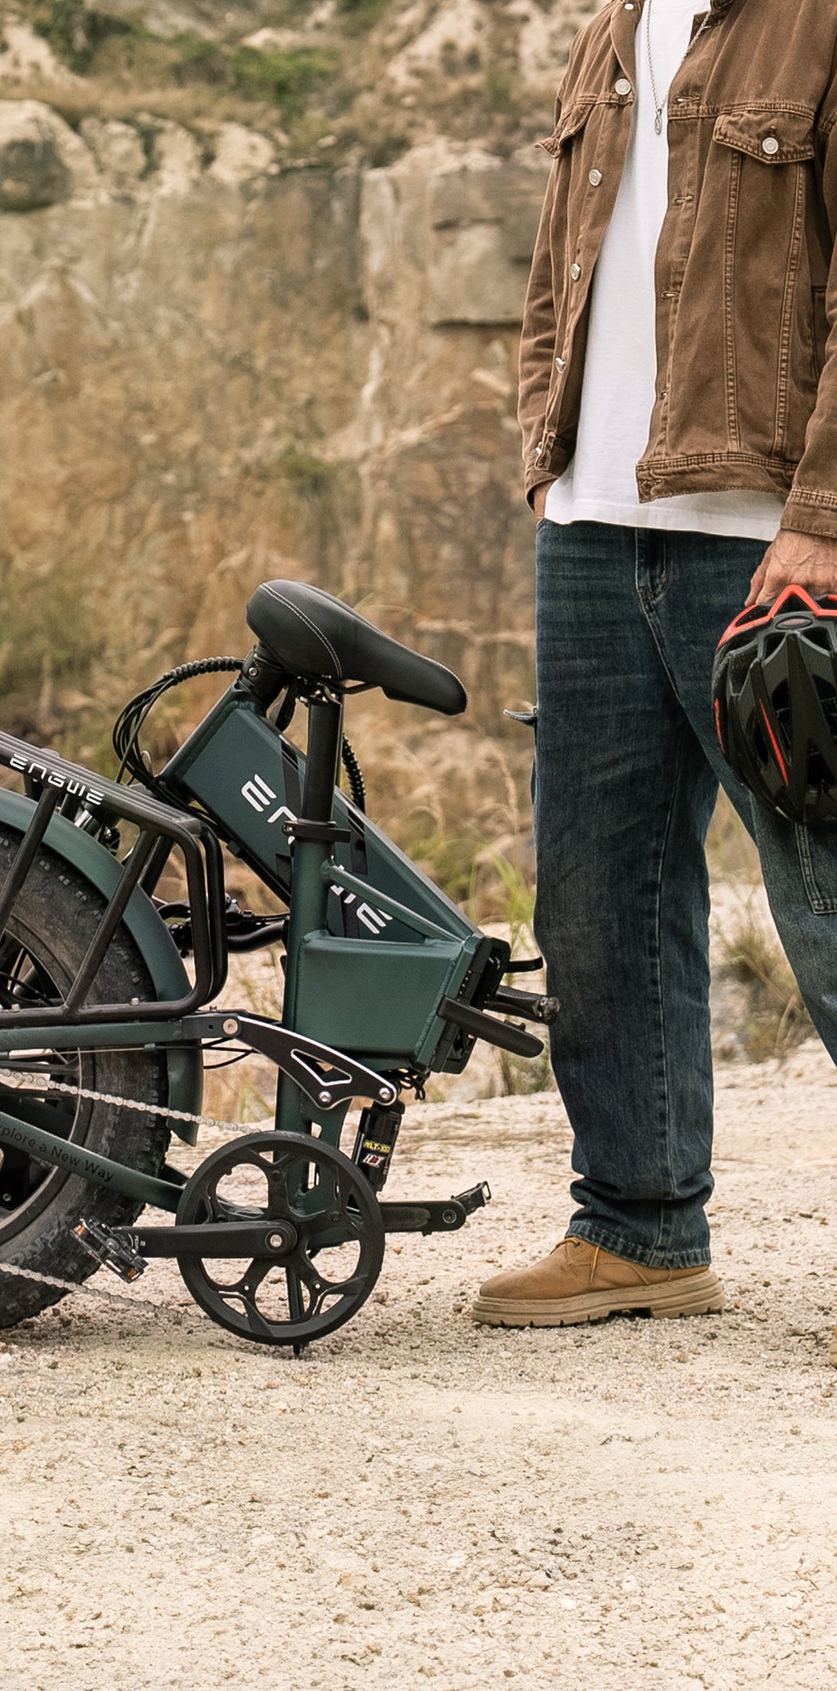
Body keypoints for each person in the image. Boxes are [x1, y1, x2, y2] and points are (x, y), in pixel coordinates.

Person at [471, 0, 837, 1367]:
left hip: (765, 537)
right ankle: (637, 1230)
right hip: (590, 524)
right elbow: (561, 263)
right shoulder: (615, 20)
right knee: (593, 893)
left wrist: (820, 518)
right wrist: (545, 450)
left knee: (822, 896)